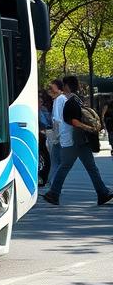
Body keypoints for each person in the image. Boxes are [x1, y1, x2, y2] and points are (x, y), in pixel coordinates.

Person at [43, 75, 112, 207]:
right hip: (75, 139)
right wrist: (90, 128)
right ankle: (54, 193)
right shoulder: (75, 100)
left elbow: (70, 121)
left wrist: (88, 128)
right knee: (79, 167)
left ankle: (102, 192)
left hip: (74, 139)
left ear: (66, 86)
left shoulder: (69, 101)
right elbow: (73, 121)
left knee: (82, 167)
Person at [48, 78, 66, 179]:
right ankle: (54, 184)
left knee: (56, 161)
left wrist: (55, 137)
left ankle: (54, 184)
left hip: (59, 135)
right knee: (57, 161)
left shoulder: (59, 100)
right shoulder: (60, 99)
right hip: (61, 135)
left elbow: (57, 120)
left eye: (52, 87)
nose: (50, 89)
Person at [38, 91, 53, 189]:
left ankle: (43, 178)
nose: (41, 103)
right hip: (40, 135)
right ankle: (42, 178)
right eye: (39, 101)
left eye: (41, 101)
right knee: (44, 158)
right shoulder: (37, 111)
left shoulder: (42, 110)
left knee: (45, 158)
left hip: (43, 135)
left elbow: (47, 122)